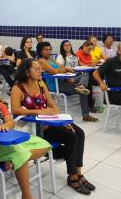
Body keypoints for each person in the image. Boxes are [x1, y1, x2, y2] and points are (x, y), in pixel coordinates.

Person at [11, 59, 95, 195]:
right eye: (36, 69)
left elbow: (51, 104)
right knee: (71, 137)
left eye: (40, 68)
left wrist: (62, 120)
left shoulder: (41, 83)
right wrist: (38, 111)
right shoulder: (18, 88)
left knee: (79, 132)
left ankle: (79, 173)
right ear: (27, 72)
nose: (40, 71)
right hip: (35, 127)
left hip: (49, 121)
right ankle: (72, 176)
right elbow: (15, 110)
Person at [0, 75, 51, 199]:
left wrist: (6, 125)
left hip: (7, 140)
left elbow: (11, 123)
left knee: (44, 144)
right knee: (21, 155)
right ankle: (26, 195)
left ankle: (14, 159)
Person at [37, 42, 96, 122]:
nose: (49, 51)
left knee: (85, 74)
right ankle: (86, 115)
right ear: (40, 51)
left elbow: (62, 67)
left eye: (50, 49)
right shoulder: (41, 61)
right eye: (46, 50)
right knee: (83, 91)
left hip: (63, 81)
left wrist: (61, 70)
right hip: (56, 85)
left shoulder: (50, 59)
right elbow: (54, 71)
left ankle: (81, 86)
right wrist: (62, 70)